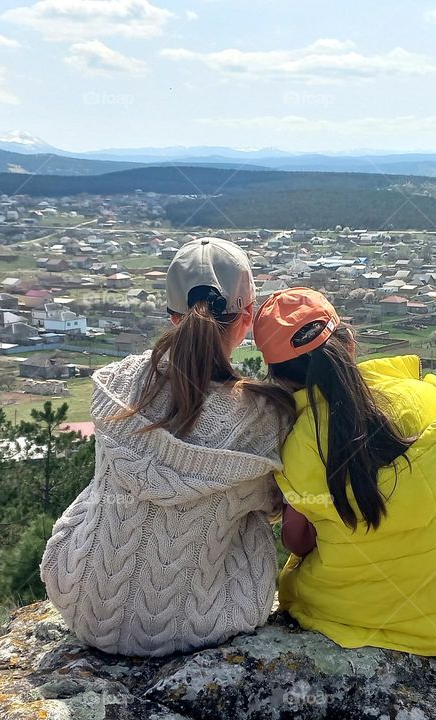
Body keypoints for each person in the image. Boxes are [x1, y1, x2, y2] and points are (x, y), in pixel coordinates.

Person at [41, 237, 292, 657]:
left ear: (171, 316)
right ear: (247, 318)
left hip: (84, 601)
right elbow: (274, 508)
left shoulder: (119, 383)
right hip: (203, 620)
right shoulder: (265, 418)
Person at [253, 287, 436, 658]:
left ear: (279, 378)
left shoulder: (296, 450)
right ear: (349, 343)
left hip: (350, 612)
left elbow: (298, 542)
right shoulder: (422, 397)